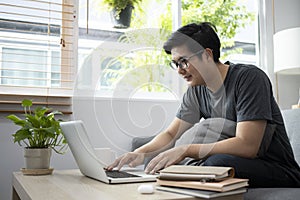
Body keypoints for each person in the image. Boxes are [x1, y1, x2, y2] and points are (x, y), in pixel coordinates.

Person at [107, 22, 300, 187]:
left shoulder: (249, 78)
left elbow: (248, 145)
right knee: (191, 163)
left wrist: (186, 149)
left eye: (184, 62)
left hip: (277, 168)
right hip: (236, 162)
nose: (180, 71)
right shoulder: (196, 90)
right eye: (176, 64)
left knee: (216, 162)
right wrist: (139, 153)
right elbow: (171, 134)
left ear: (207, 55)